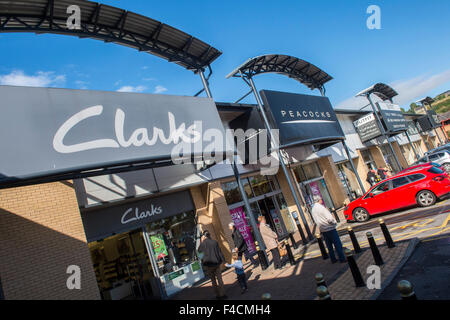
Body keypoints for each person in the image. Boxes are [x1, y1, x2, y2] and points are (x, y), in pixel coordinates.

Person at [311, 198, 346, 263]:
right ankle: (342, 258)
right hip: (330, 228)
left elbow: (316, 220)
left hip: (323, 230)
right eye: (321, 199)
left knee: (329, 246)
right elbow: (330, 219)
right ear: (319, 200)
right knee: (337, 244)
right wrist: (334, 222)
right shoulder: (322, 208)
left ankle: (333, 259)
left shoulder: (313, 210)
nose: (322, 200)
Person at [197, 230, 227, 299]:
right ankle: (222, 294)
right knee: (220, 279)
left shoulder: (202, 244)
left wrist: (203, 260)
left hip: (208, 265)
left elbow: (199, 255)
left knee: (213, 280)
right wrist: (224, 261)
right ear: (209, 235)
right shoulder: (214, 242)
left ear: (204, 236)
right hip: (216, 263)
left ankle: (217, 295)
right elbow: (219, 252)